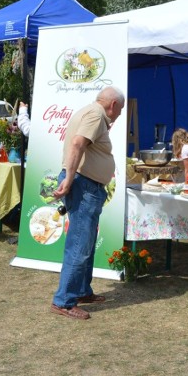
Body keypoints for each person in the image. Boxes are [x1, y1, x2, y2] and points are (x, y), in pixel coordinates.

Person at [51, 86, 125, 320]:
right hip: (84, 186)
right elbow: (77, 144)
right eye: (120, 109)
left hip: (86, 185)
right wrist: (70, 179)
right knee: (80, 245)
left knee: (86, 242)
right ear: (113, 104)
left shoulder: (91, 113)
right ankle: (64, 301)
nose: (119, 114)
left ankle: (82, 291)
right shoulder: (96, 115)